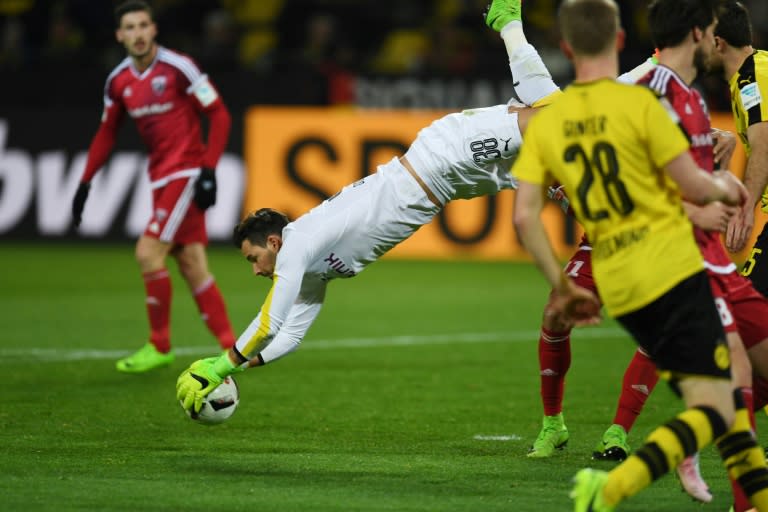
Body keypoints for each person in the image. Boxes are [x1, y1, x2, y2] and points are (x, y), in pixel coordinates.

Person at [175, 0, 566, 417]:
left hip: (440, 157)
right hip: (451, 183)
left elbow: (268, 321)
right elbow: (287, 335)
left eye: (254, 257)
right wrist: (243, 368)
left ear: (273, 241)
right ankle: (635, 75)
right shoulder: (310, 273)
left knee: (554, 121)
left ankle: (508, 21)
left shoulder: (299, 243)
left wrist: (220, 366)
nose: (255, 269)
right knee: (561, 122)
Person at [511, 0, 768, 510]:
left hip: (624, 277)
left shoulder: (551, 122)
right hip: (683, 264)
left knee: (727, 394)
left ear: (564, 48)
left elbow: (524, 217)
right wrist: (725, 189)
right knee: (728, 396)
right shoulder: (653, 102)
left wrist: (563, 288)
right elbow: (681, 185)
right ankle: (627, 485)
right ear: (621, 39)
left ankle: (629, 483)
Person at [71, 0, 236, 373]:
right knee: (192, 264)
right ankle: (233, 347)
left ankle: (159, 344)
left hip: (186, 173)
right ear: (119, 35)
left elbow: (219, 113)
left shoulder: (179, 68)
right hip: (160, 178)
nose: (138, 33)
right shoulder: (118, 81)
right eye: (130, 27)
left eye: (143, 25)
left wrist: (208, 169)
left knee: (148, 253)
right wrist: (84, 181)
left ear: (153, 29)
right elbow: (107, 131)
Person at [713, 1, 768, 298]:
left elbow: (765, 145)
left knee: (744, 310)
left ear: (717, 43)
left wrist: (745, 210)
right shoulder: (756, 70)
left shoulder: (752, 79)